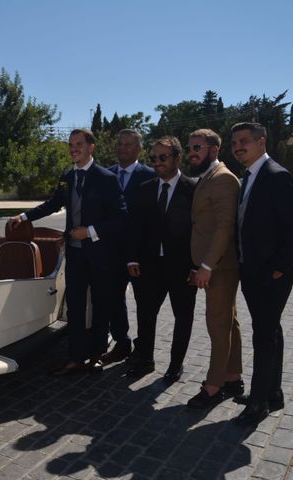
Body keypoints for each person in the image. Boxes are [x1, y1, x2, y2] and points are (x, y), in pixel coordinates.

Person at [8, 128, 128, 374]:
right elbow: (53, 204)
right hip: (74, 255)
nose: (74, 148)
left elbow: (121, 217)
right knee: (74, 305)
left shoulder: (106, 178)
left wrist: (91, 231)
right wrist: (23, 215)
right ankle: (75, 357)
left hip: (99, 255)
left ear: (91, 147)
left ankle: (96, 354)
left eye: (79, 144)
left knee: (100, 305)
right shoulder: (67, 176)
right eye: (71, 144)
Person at [230, 122, 293, 425]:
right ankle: (273, 392)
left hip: (270, 275)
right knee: (270, 331)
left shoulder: (276, 176)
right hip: (252, 270)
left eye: (244, 141)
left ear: (261, 142)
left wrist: (280, 269)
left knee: (263, 336)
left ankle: (258, 403)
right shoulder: (248, 177)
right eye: (234, 143)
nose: (238, 147)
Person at [125, 136, 197, 382]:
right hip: (149, 265)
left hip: (182, 267)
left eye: (163, 157)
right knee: (145, 314)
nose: (157, 162)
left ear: (177, 158)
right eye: (154, 158)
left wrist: (197, 266)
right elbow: (135, 227)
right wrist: (132, 258)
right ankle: (145, 360)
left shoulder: (193, 190)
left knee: (183, 317)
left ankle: (175, 365)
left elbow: (200, 230)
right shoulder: (145, 188)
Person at [186, 128, 243, 409]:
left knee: (217, 324)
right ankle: (233, 376)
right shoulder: (207, 176)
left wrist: (207, 265)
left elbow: (224, 227)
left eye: (197, 147)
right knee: (228, 321)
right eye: (190, 147)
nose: (192, 152)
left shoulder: (222, 179)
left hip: (220, 266)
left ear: (214, 150)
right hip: (213, 264)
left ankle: (213, 386)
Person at [102, 129, 155, 365]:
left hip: (141, 254)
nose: (122, 148)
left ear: (139, 149)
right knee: (114, 299)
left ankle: (144, 351)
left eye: (128, 145)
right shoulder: (106, 175)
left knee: (145, 304)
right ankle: (122, 343)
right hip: (112, 252)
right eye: (120, 144)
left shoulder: (151, 176)